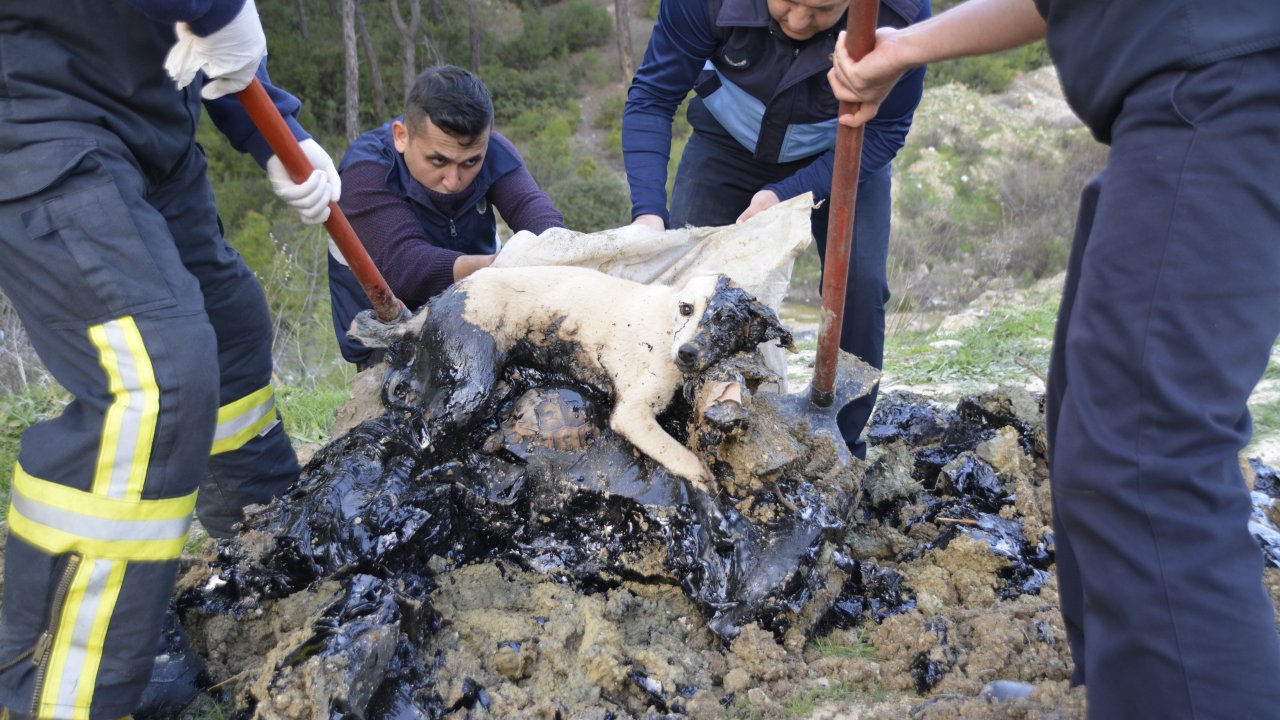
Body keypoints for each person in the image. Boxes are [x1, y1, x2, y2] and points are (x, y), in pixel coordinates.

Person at [829, 1, 1280, 717]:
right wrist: (904, 47)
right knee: (1082, 424)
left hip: (1229, 88)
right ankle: (1129, 688)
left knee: (1143, 457)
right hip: (1168, 109)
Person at [0, 1, 341, 717]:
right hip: (39, 108)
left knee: (231, 331)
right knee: (155, 378)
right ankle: (58, 690)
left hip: (151, 123)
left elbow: (211, 38)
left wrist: (280, 131)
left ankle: (269, 572)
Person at [621, 0, 930, 458]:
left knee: (859, 289)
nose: (801, 21)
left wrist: (789, 191)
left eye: (824, 9)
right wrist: (648, 213)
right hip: (726, 144)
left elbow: (885, 131)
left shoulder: (900, 15)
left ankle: (840, 445)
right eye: (788, 1)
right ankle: (686, 431)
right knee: (693, 289)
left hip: (846, 149)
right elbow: (653, 97)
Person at [328, 65, 565, 368]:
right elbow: (405, 266)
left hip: (477, 314)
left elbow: (541, 219)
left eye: (470, 162)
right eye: (438, 160)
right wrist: (504, 266)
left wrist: (554, 253)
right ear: (401, 137)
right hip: (389, 337)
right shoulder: (365, 171)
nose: (453, 180)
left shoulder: (492, 150)